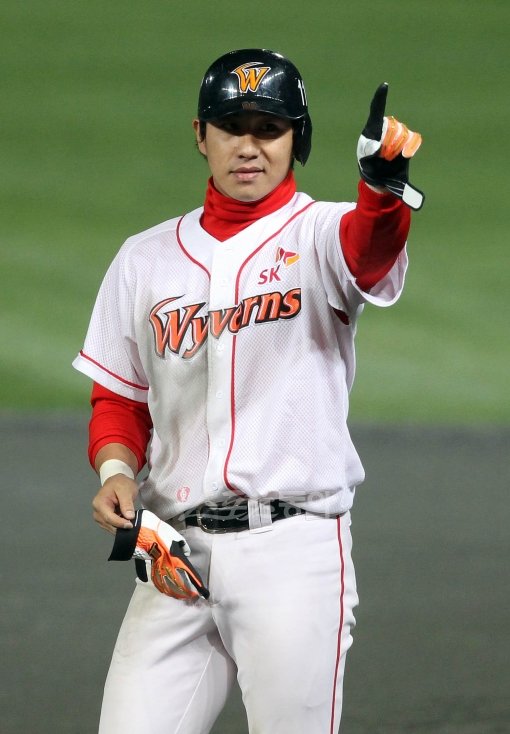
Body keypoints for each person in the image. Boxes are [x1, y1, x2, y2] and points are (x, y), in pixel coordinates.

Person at [73, 48, 424, 734]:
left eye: (270, 128)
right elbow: (120, 398)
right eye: (231, 126)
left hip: (291, 551)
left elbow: (367, 253)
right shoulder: (144, 258)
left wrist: (382, 195)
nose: (248, 145)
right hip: (173, 555)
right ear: (200, 135)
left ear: (298, 140)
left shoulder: (320, 234)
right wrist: (115, 470)